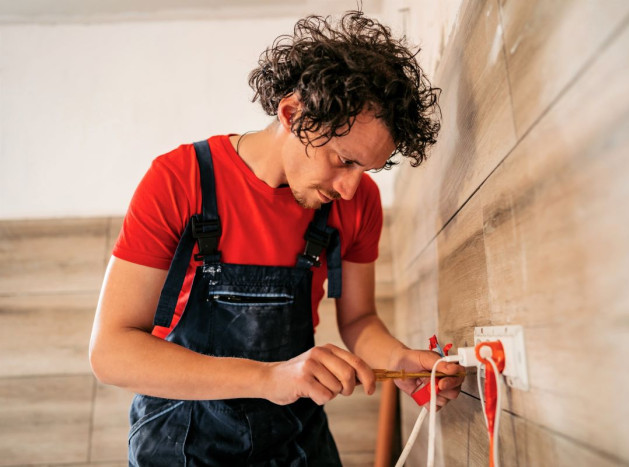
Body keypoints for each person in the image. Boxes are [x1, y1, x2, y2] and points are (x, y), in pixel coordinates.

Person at [89, 10, 463, 466]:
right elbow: (111, 353)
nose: (351, 187)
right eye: (343, 160)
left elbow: (360, 319)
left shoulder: (356, 202)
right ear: (292, 114)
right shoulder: (179, 180)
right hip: (180, 438)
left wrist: (399, 359)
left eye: (368, 169)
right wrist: (269, 378)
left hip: (295, 438)